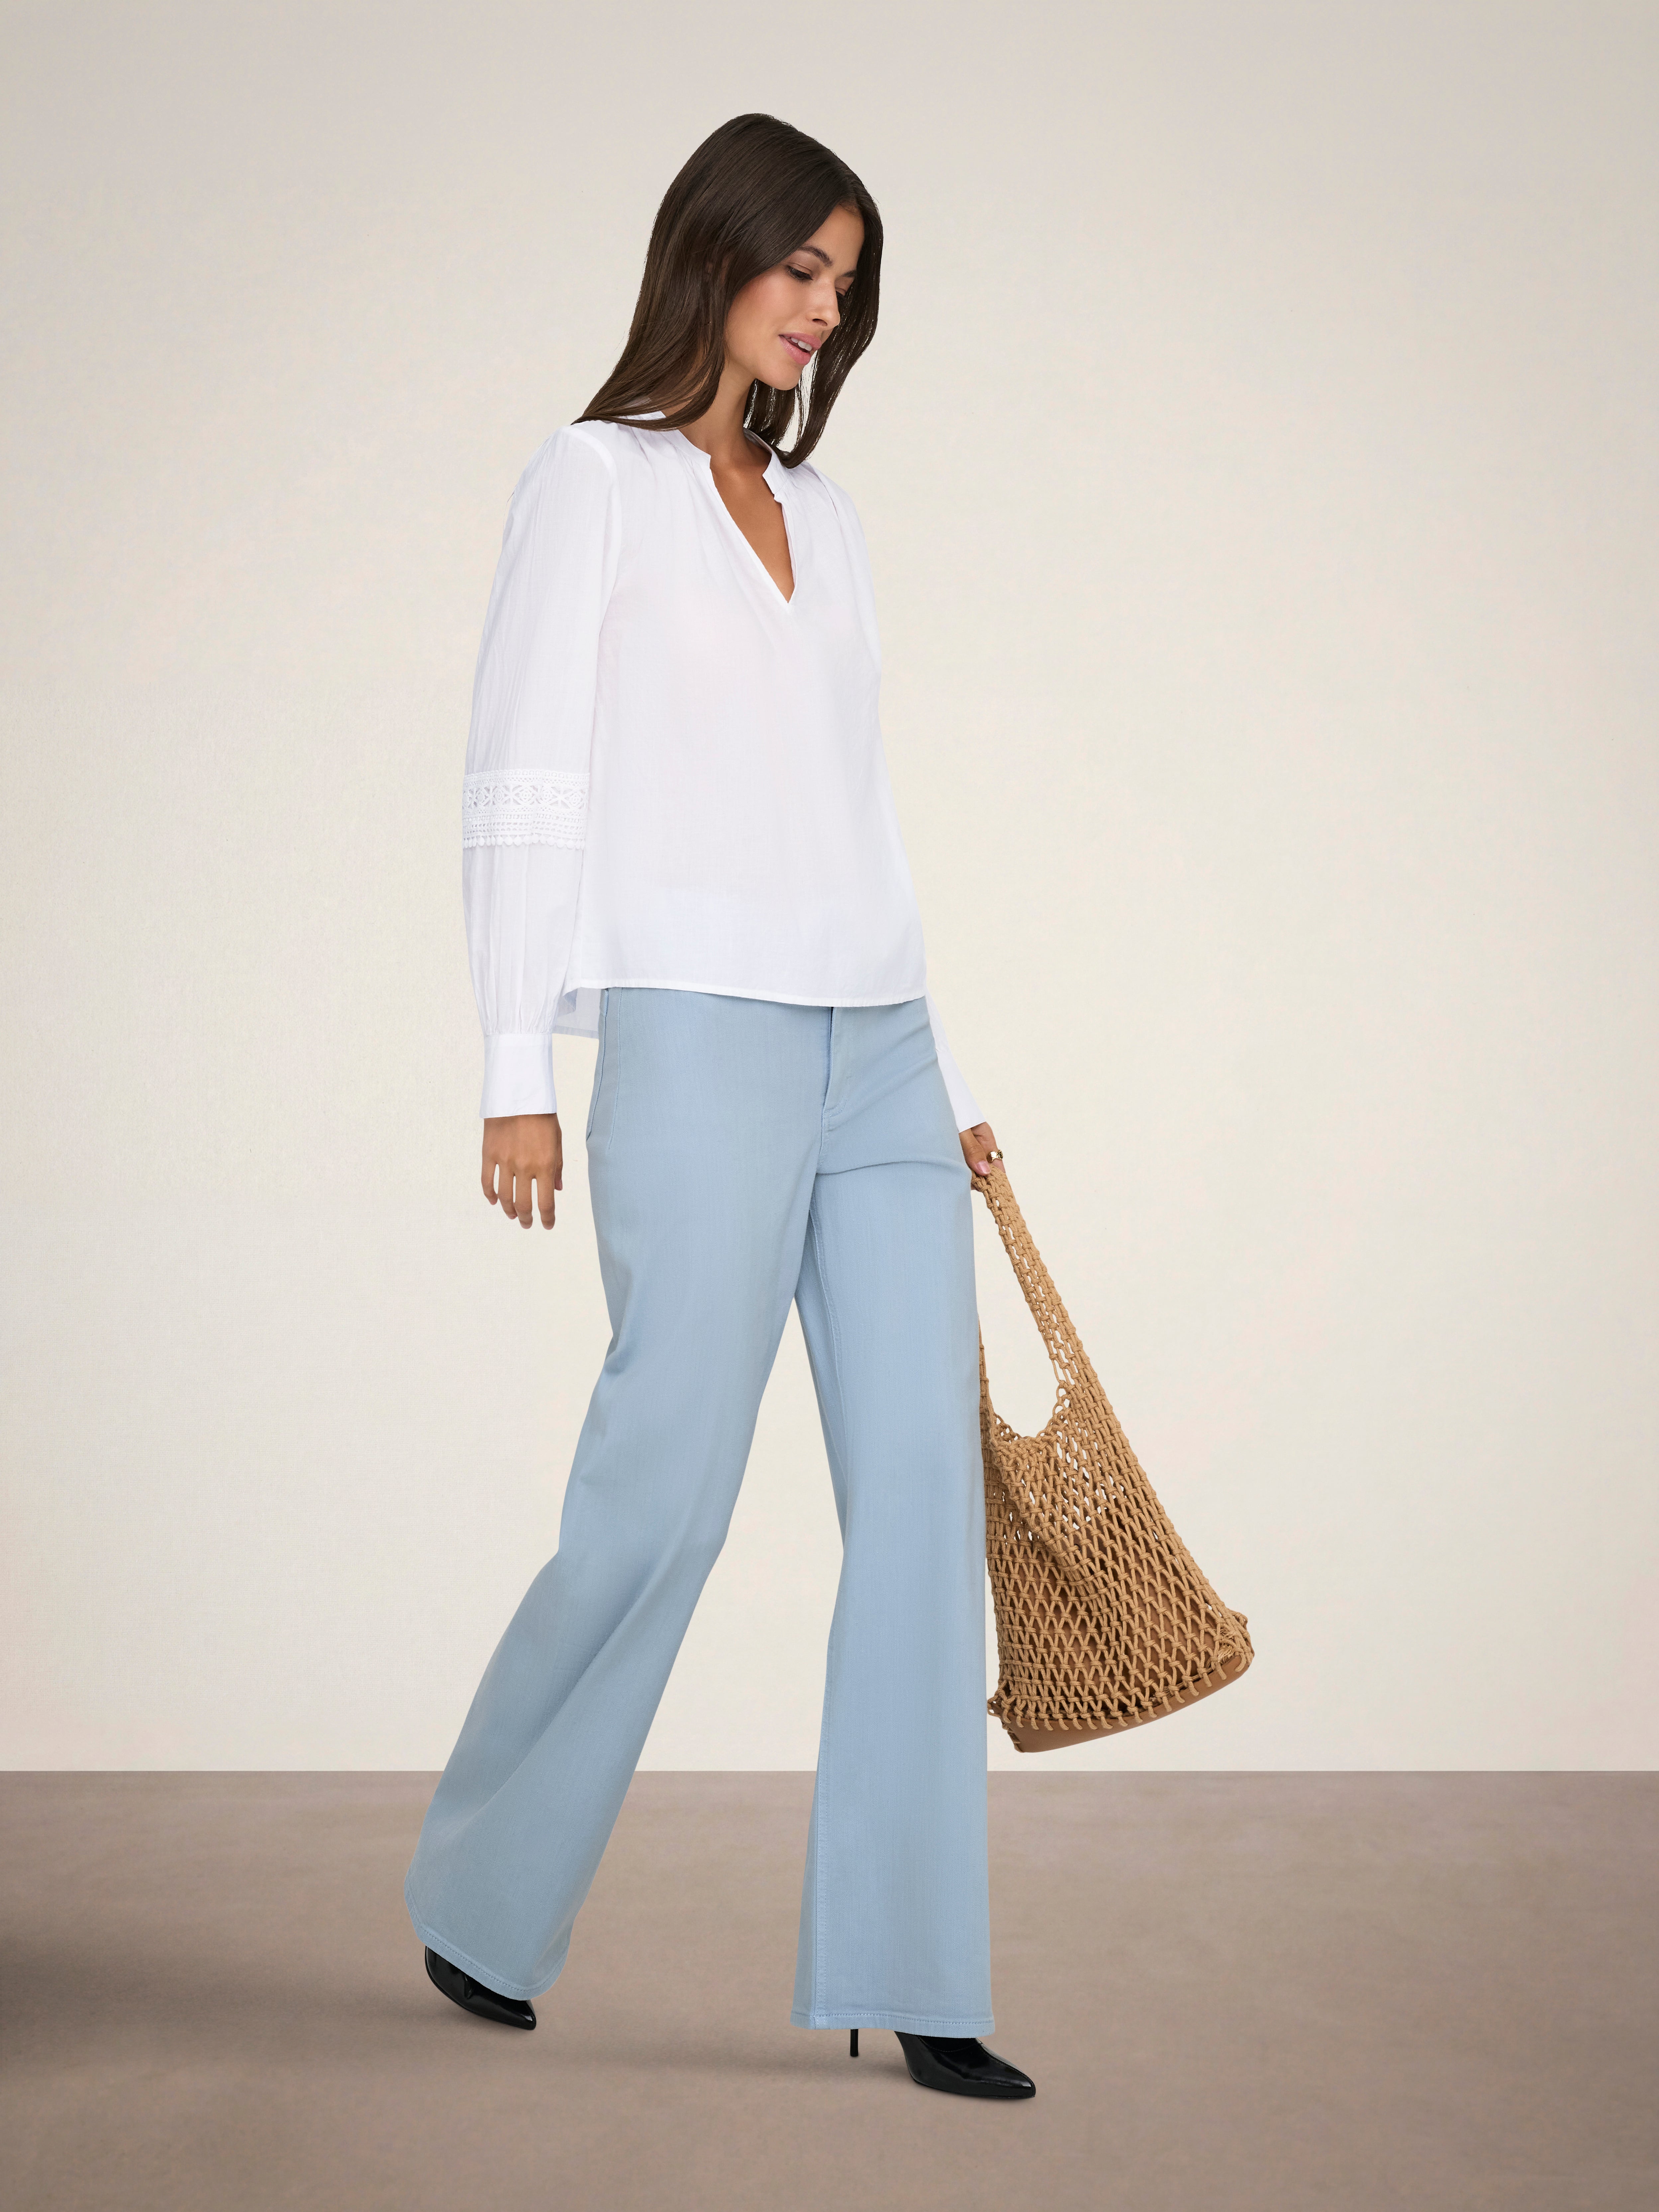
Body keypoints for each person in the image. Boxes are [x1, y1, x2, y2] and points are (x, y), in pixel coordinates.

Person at [404, 112, 1034, 2103]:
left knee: (924, 1492)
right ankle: (484, 1886)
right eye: (798, 267)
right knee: (663, 1483)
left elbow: (851, 801)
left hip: (883, 1042)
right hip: (693, 1032)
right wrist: (516, 1064)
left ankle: (918, 1968)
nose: (821, 307)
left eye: (846, 282)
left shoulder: (825, 519)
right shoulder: (590, 483)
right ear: (715, 255)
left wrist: (940, 1079)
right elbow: (523, 780)